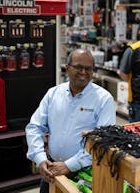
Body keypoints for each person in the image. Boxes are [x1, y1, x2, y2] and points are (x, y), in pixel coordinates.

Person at [25, 49, 116, 193]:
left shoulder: (103, 99)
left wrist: (69, 165)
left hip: (83, 173)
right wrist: (39, 157)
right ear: (67, 68)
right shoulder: (53, 94)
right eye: (79, 67)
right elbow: (34, 127)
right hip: (51, 169)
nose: (84, 72)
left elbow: (102, 142)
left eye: (89, 69)